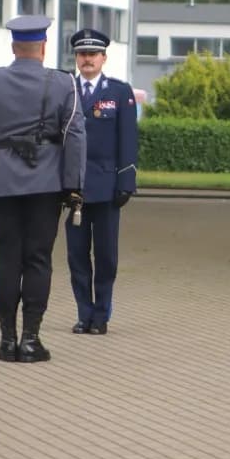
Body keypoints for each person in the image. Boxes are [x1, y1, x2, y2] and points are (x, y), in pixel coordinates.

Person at [0, 15, 85, 362]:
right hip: (46, 184)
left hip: (1, 183)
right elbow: (74, 135)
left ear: (14, 47)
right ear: (43, 47)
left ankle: (6, 340)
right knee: (37, 260)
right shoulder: (63, 84)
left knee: (5, 260)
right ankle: (31, 339)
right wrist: (73, 186)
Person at [65, 28, 138, 335]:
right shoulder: (65, 89)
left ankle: (101, 314)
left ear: (104, 58)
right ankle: (84, 314)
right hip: (73, 188)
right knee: (77, 256)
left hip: (107, 188)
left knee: (106, 256)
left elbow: (128, 140)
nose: (87, 60)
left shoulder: (119, 92)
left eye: (93, 54)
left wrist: (126, 182)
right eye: (82, 54)